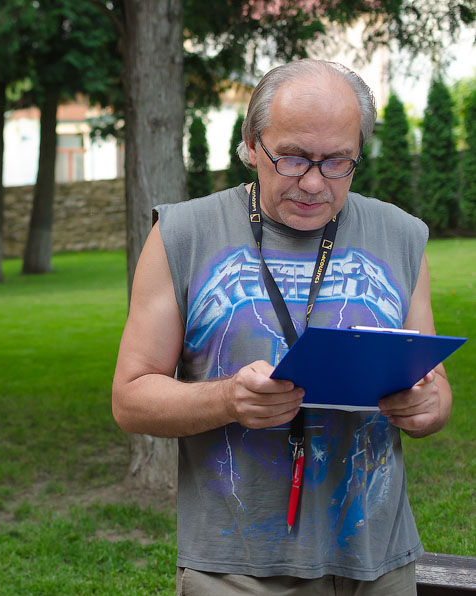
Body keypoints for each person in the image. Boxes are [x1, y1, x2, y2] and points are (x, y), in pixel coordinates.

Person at [112, 59, 451, 595]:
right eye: (292, 158)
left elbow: (433, 387)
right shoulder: (183, 234)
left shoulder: (401, 235)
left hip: (378, 564)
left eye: (338, 162)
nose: (314, 183)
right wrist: (228, 399)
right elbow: (130, 399)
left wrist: (429, 407)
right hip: (236, 571)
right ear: (252, 144)